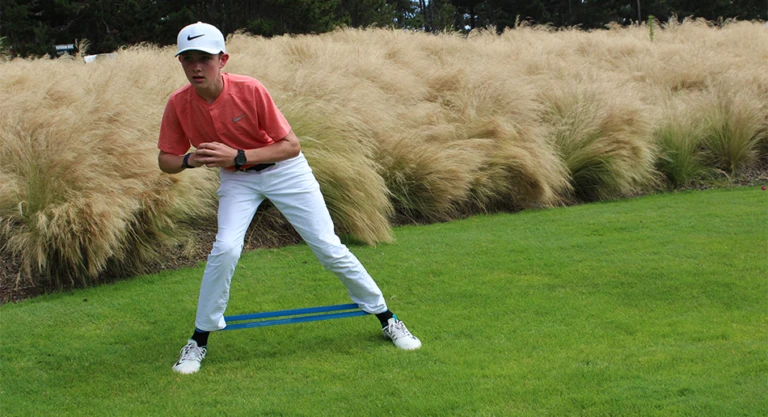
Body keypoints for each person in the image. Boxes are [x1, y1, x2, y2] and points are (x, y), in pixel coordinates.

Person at [157, 22, 421, 374]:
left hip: (285, 171)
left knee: (328, 247)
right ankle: (199, 339)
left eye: (204, 58)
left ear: (222, 59)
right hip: (237, 181)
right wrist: (191, 159)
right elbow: (166, 160)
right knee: (225, 249)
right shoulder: (178, 103)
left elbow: (290, 146)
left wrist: (237, 156)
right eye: (187, 58)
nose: (195, 66)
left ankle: (387, 317)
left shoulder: (249, 90)